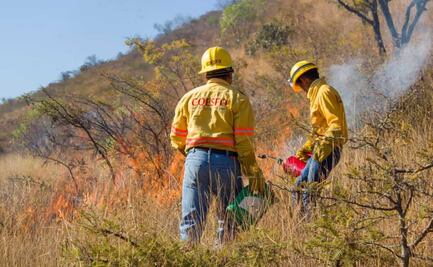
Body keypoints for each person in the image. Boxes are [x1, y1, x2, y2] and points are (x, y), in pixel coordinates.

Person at [170, 47, 265, 244]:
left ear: (205, 74)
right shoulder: (238, 98)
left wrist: (194, 156)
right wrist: (254, 173)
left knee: (191, 222)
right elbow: (244, 143)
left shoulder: (188, 98)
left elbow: (177, 138)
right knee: (229, 223)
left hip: (196, 161)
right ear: (230, 73)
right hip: (228, 163)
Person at [287, 60, 348, 211]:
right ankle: (300, 224)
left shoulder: (323, 92)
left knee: (309, 191)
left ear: (305, 80)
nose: (301, 89)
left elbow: (335, 125)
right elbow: (320, 129)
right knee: (299, 187)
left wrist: (322, 147)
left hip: (328, 151)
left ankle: (310, 226)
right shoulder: (317, 94)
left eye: (300, 85)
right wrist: (306, 148)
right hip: (321, 150)